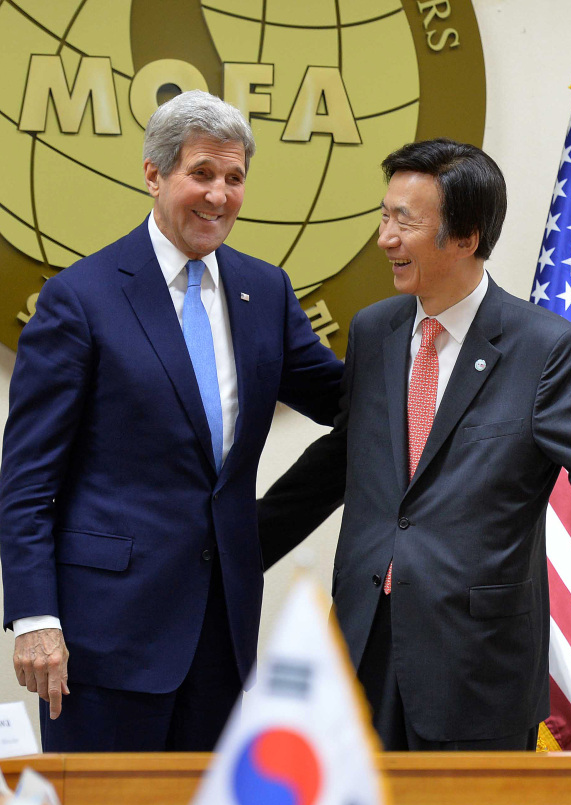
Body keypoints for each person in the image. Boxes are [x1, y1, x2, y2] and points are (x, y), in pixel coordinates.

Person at [259, 138, 571, 751]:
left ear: (466, 237)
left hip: (476, 660)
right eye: (385, 215)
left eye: (404, 221)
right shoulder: (374, 330)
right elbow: (341, 459)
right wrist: (240, 547)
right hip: (364, 641)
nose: (385, 236)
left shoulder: (544, 348)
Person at [0, 90, 342, 752]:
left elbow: (346, 401)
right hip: (104, 639)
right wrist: (35, 617)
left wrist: (440, 355)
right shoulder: (82, 297)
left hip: (223, 634)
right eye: (202, 174)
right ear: (154, 174)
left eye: (234, 177)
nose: (219, 195)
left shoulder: (264, 290)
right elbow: (27, 479)